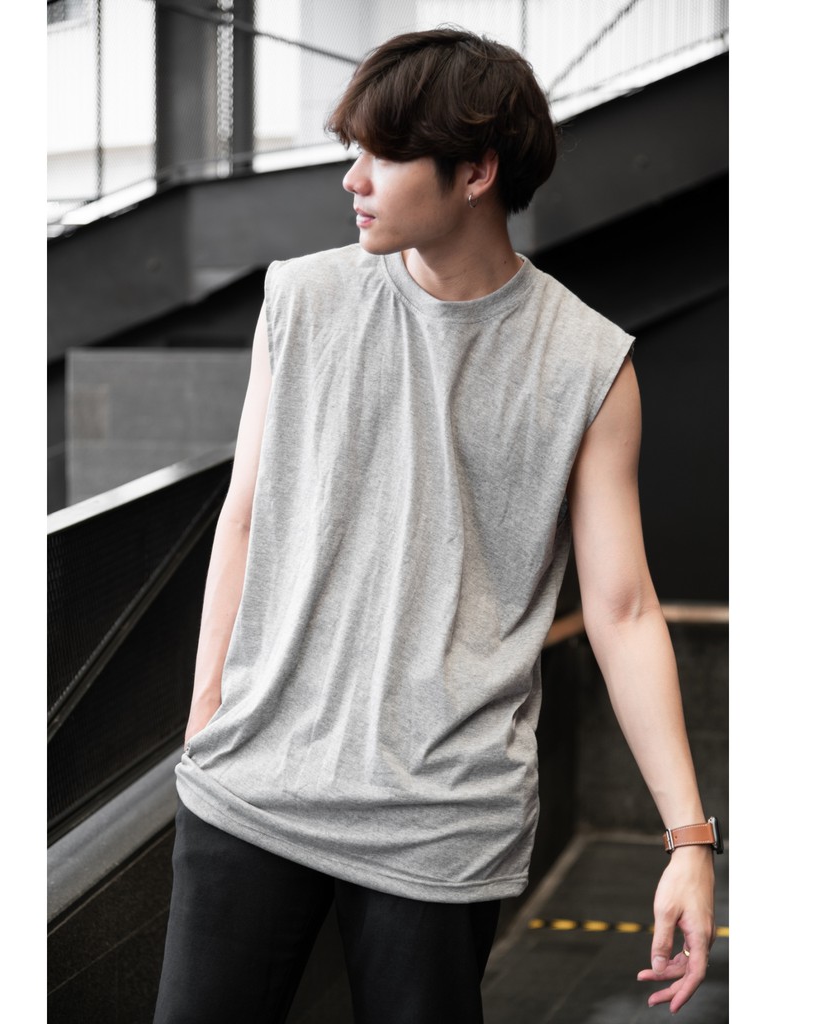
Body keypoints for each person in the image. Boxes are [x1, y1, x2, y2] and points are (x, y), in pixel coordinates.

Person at [153, 27, 717, 1024]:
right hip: (252, 786)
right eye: (353, 151)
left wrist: (689, 840)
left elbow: (623, 609)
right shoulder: (302, 299)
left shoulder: (588, 365)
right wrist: (206, 719)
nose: (353, 179)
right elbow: (243, 517)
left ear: (476, 172)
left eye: (384, 154)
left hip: (442, 818)